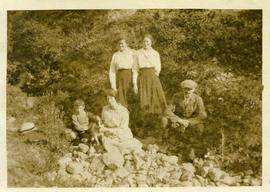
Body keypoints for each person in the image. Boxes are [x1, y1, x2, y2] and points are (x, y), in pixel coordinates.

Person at [161, 79, 207, 159]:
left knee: (200, 127)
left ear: (194, 90)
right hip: (179, 119)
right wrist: (178, 120)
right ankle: (165, 143)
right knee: (164, 119)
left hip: (190, 121)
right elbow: (167, 110)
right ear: (182, 89)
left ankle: (194, 149)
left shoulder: (198, 99)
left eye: (190, 89)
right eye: (185, 89)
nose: (187, 91)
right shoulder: (176, 96)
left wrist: (189, 122)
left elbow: (202, 115)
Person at [99, 89, 142, 155]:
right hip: (108, 134)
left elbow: (123, 128)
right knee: (106, 142)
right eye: (107, 99)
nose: (109, 101)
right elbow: (103, 122)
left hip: (121, 134)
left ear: (117, 99)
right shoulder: (105, 109)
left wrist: (108, 130)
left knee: (124, 144)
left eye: (111, 99)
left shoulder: (123, 111)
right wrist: (102, 127)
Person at [133, 34, 167, 115]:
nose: (146, 43)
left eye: (147, 41)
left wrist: (154, 78)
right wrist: (135, 84)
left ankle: (158, 118)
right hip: (143, 78)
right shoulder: (138, 53)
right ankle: (147, 119)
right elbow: (135, 69)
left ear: (151, 42)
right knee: (145, 99)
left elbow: (158, 68)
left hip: (153, 77)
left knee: (156, 98)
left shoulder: (155, 53)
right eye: (144, 41)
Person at [109, 36, 137, 108]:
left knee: (131, 98)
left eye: (122, 43)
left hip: (130, 77)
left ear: (127, 44)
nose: (120, 45)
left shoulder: (132, 53)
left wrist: (135, 83)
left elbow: (135, 68)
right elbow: (112, 71)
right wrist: (113, 86)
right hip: (120, 79)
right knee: (121, 100)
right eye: (119, 43)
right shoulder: (115, 55)